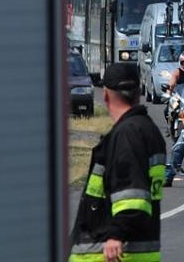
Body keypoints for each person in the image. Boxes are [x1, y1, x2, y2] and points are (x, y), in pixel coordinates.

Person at [69, 63, 166, 262]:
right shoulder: (148, 130)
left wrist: (117, 234)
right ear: (138, 92)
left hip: (112, 253)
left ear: (105, 95)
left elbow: (133, 192)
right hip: (140, 248)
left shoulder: (127, 134)